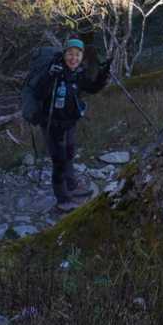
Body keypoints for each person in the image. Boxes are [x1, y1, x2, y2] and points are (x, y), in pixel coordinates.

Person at [32, 37, 112, 210]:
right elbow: (38, 93)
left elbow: (92, 88)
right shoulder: (54, 71)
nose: (73, 58)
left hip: (69, 123)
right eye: (70, 54)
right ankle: (63, 199)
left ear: (82, 57)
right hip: (52, 124)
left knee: (69, 155)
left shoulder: (77, 73)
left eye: (77, 55)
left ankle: (72, 187)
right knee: (59, 161)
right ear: (64, 54)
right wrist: (50, 76)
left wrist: (103, 74)